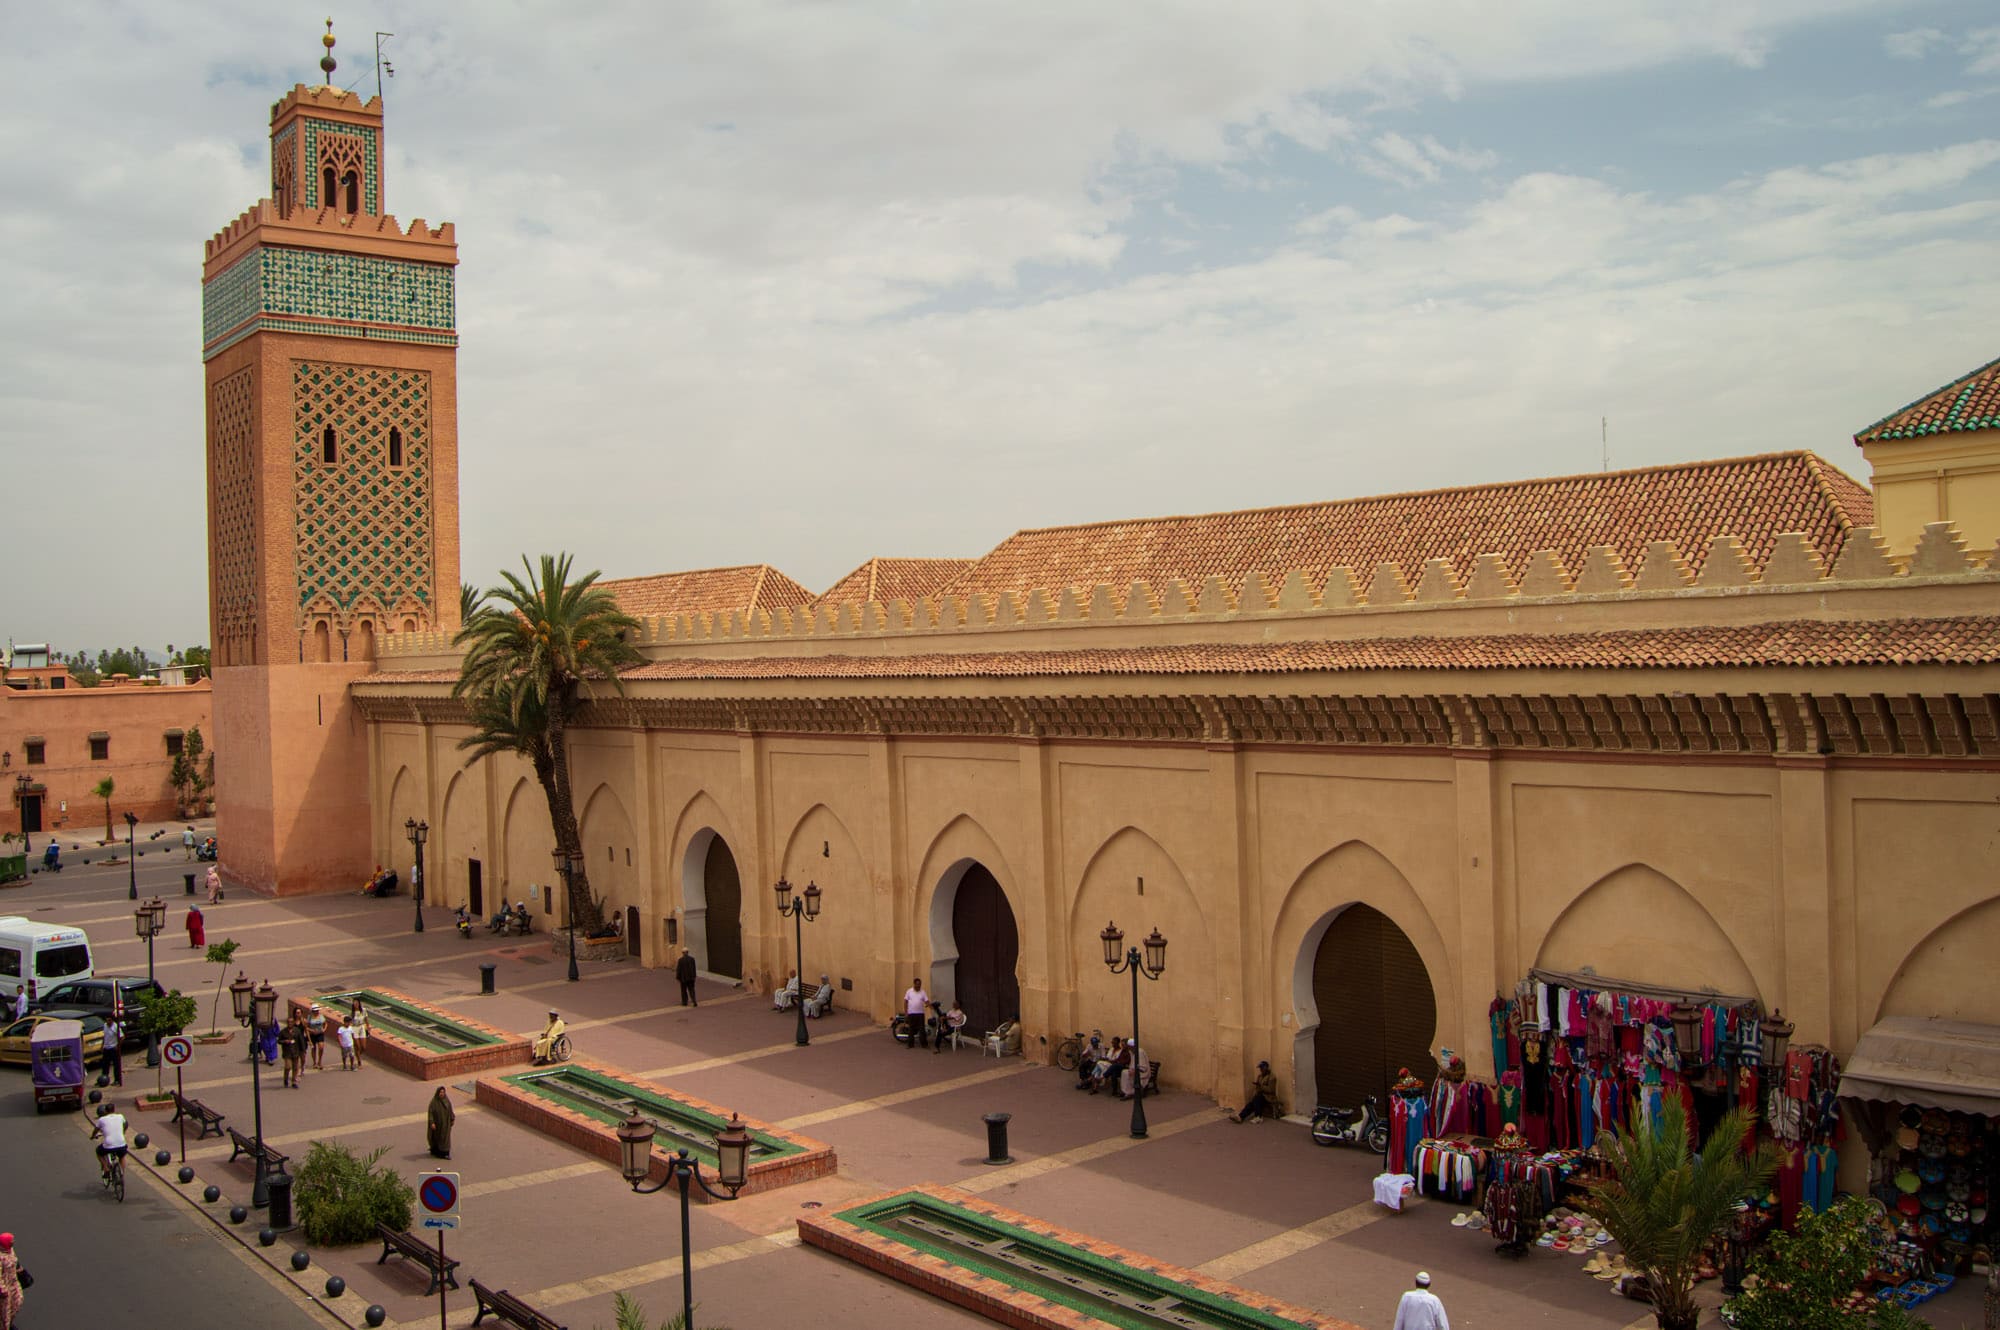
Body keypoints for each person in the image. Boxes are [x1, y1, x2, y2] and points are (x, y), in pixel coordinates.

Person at [91, 1101, 129, 1183]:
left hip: (108, 1145)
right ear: (114, 1109)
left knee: (99, 1152)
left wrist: (92, 1136)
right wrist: (123, 1132)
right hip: (121, 1143)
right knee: (122, 1157)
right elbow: (126, 1124)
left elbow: (96, 1130)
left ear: (105, 1111)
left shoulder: (102, 1119)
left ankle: (105, 1167)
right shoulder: (120, 1116)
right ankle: (121, 1175)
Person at [0, 1230, 24, 1330]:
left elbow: (15, 1260)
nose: (13, 1242)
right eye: (11, 1241)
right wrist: (3, 1290)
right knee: (5, 1312)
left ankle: (9, 1323)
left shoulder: (10, 1250)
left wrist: (20, 1270)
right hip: (5, 1288)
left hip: (13, 1283)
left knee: (18, 1301)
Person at [427, 1086, 456, 1159]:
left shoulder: (447, 1101)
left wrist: (452, 1119)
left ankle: (445, 1153)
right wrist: (432, 1123)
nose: (442, 1094)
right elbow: (430, 1113)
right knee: (437, 1137)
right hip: (438, 1124)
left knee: (446, 1138)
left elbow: (450, 1110)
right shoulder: (434, 1102)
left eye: (443, 1092)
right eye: (440, 1092)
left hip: (446, 1124)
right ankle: (437, 1152)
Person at [902, 978, 930, 1049]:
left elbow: (926, 1001)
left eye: (920, 985)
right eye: (917, 985)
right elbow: (905, 1001)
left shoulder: (923, 992)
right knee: (911, 1029)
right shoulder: (909, 991)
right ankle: (910, 1045)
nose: (918, 986)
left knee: (922, 1029)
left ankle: (924, 1044)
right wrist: (906, 1012)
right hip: (911, 1013)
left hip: (920, 1013)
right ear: (914, 984)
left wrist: (930, 1005)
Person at [278, 1016, 302, 1088]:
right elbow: (279, 1041)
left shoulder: (297, 1031)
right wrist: (284, 1041)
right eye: (288, 1022)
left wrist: (302, 1050)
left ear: (293, 1023)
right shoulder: (283, 1032)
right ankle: (286, 1079)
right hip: (287, 1052)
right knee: (288, 1067)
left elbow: (300, 1041)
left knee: (295, 1067)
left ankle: (294, 1081)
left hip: (295, 1051)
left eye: (291, 1022)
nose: (290, 1023)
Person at [101, 1014, 125, 1087]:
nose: (108, 1022)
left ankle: (117, 1080)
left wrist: (117, 1046)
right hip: (106, 1047)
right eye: (107, 1020)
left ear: (112, 1020)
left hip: (113, 1048)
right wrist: (102, 1045)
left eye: (109, 1020)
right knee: (105, 1065)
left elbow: (122, 1037)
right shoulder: (105, 1025)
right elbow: (104, 1036)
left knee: (116, 1065)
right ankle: (104, 1079)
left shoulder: (115, 1027)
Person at [306, 1003, 327, 1071]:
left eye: (317, 1010)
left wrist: (324, 1029)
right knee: (313, 1048)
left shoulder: (321, 1016)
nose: (316, 1012)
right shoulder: (309, 1017)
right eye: (315, 1011)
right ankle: (314, 1062)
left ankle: (319, 1061)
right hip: (312, 1034)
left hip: (320, 1033)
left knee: (321, 1047)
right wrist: (311, 1030)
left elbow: (325, 1023)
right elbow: (306, 1027)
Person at [348, 998, 369, 1069]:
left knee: (363, 1047)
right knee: (357, 1046)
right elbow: (350, 1022)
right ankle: (359, 1061)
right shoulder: (352, 1013)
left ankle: (357, 1055)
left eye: (357, 1003)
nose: (356, 1004)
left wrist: (368, 1028)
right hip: (355, 1028)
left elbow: (366, 1020)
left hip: (362, 1027)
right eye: (354, 1003)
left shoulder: (363, 1010)